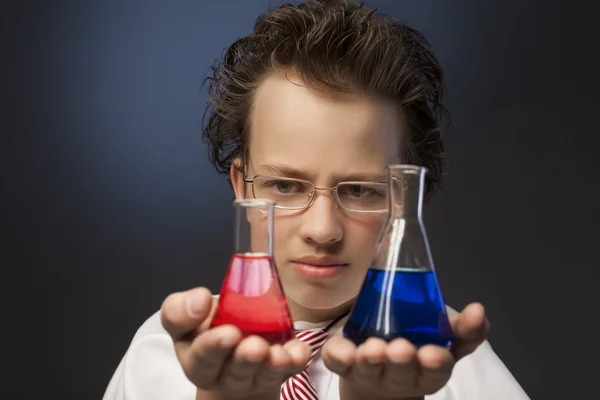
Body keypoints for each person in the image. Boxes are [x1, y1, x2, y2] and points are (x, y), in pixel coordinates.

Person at [102, 1, 530, 399]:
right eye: (286, 186)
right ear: (241, 187)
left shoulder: (459, 374)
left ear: (405, 199)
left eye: (361, 190)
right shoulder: (157, 362)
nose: (322, 230)